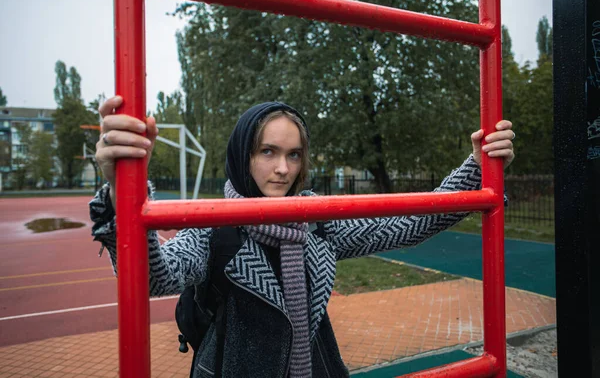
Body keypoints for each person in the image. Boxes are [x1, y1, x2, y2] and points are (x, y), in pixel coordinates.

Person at [90, 96, 515, 378]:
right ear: (244, 154)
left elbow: (408, 223)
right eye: (268, 151)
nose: (283, 169)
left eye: (294, 154)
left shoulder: (316, 219)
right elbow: (153, 278)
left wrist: (477, 166)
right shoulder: (215, 226)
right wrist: (121, 190)